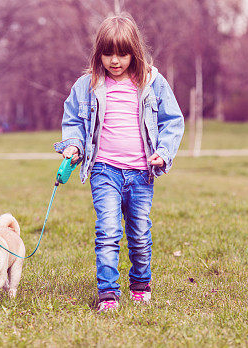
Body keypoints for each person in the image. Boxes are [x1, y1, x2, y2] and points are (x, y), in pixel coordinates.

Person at [53, 13, 184, 312]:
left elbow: (173, 121)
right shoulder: (87, 85)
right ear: (98, 53)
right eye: (108, 53)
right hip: (104, 170)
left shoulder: (152, 82)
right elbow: (73, 120)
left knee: (139, 231)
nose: (115, 61)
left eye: (122, 54)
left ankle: (140, 284)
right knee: (108, 231)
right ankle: (108, 295)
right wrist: (73, 144)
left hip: (141, 173)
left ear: (134, 53)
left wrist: (163, 153)